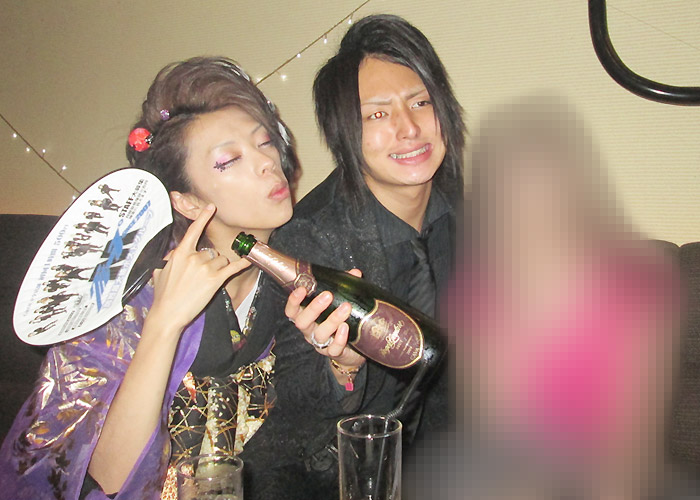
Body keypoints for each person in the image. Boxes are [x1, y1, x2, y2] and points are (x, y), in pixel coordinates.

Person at [0, 56, 341, 500]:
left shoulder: (292, 268)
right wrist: (164, 323)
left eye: (264, 142)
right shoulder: (132, 296)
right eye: (228, 160)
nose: (265, 162)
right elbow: (109, 476)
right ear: (187, 202)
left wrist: (341, 362)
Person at [407, 95, 690, 499]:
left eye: (545, 192)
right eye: (512, 195)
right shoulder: (479, 293)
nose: (530, 211)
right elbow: (493, 427)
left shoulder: (636, 287)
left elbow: (631, 445)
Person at [264, 14, 466, 499]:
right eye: (377, 114)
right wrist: (343, 366)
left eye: (420, 102)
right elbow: (293, 414)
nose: (409, 128)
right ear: (344, 133)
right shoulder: (309, 242)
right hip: (340, 479)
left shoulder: (467, 213)